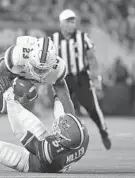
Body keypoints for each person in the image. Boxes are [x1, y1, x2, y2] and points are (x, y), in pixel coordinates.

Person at [0, 36, 75, 128]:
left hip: (23, 75)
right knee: (0, 108)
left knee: (27, 97)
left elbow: (64, 97)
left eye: (43, 70)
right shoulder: (17, 58)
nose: (39, 73)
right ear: (31, 57)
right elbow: (2, 69)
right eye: (36, 68)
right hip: (6, 70)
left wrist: (72, 121)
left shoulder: (58, 69)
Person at [51, 9, 111, 150]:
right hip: (62, 79)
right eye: (68, 22)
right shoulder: (53, 39)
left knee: (92, 108)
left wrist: (96, 78)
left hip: (81, 78)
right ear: (61, 23)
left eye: (73, 22)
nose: (72, 25)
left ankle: (103, 131)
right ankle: (60, 137)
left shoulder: (82, 37)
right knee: (60, 107)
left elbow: (92, 59)